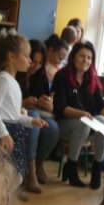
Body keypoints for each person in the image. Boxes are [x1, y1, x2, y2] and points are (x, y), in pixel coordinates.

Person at [0, 31, 48, 197]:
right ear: (11, 56)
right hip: (2, 132)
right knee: (5, 171)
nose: (30, 60)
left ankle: (4, 198)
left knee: (16, 173)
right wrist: (3, 133)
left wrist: (31, 121)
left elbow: (14, 115)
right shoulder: (3, 79)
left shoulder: (11, 80)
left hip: (13, 130)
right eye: (26, 56)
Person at [53, 41, 104, 189]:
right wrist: (82, 114)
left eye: (89, 57)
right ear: (73, 56)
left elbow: (101, 105)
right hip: (65, 122)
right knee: (84, 123)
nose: (85, 60)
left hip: (87, 122)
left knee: (102, 120)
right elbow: (61, 108)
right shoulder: (62, 76)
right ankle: (71, 165)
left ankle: (97, 167)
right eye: (82, 56)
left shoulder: (92, 78)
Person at [21, 34, 66, 188]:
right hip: (18, 113)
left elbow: (49, 104)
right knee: (33, 117)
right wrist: (24, 102)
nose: (35, 66)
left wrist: (47, 104)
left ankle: (39, 163)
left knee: (53, 128)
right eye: (33, 61)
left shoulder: (40, 76)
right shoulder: (16, 73)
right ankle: (30, 170)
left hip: (36, 112)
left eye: (40, 63)